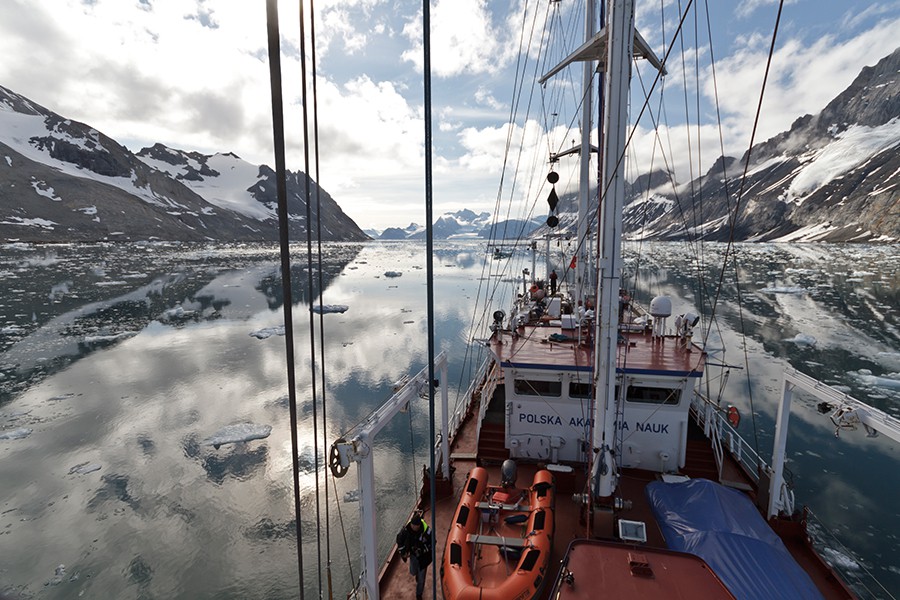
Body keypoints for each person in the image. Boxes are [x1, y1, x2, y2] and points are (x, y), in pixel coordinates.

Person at [396, 511, 432, 600]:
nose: (413, 528)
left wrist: (423, 549)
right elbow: (399, 540)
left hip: (424, 558)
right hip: (413, 556)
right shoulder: (405, 530)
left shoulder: (427, 531)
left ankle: (418, 594)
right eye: (412, 526)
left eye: (415, 527)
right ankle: (416, 574)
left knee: (421, 579)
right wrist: (403, 552)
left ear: (419, 526)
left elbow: (432, 542)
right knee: (413, 571)